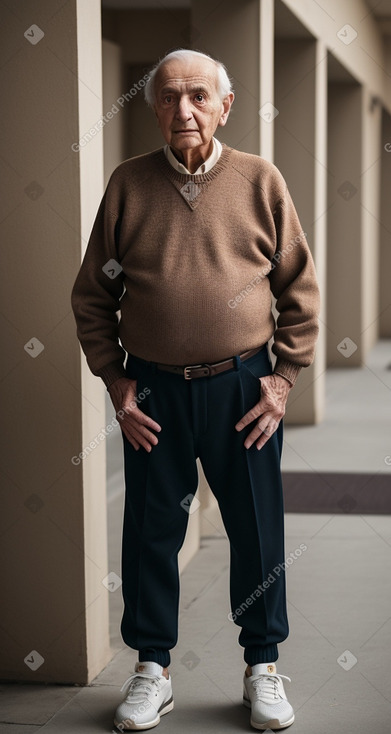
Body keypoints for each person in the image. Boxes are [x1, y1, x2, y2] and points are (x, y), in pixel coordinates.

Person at [71, 48, 320, 732]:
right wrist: (117, 383)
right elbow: (93, 297)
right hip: (152, 392)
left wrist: (282, 379)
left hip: (243, 386)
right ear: (153, 107)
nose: (184, 110)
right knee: (151, 534)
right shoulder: (128, 186)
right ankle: (152, 669)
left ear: (224, 105)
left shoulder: (260, 181)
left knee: (256, 530)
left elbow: (298, 290)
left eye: (198, 97)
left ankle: (262, 667)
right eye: (169, 97)